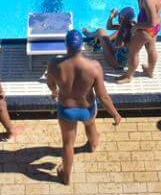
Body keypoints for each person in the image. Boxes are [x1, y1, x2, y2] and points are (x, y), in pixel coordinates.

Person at [47, 30, 122, 185]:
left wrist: (54, 92)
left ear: (66, 46)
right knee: (90, 124)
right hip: (87, 108)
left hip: (66, 109)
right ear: (81, 46)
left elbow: (51, 84)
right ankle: (92, 146)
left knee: (68, 144)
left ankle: (66, 177)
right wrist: (115, 113)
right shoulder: (94, 67)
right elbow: (103, 96)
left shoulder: (54, 64)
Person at [116, 0, 161, 84]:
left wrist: (136, 26)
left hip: (146, 30)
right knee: (151, 48)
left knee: (133, 52)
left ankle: (128, 76)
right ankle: (150, 70)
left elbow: (151, 23)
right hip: (158, 25)